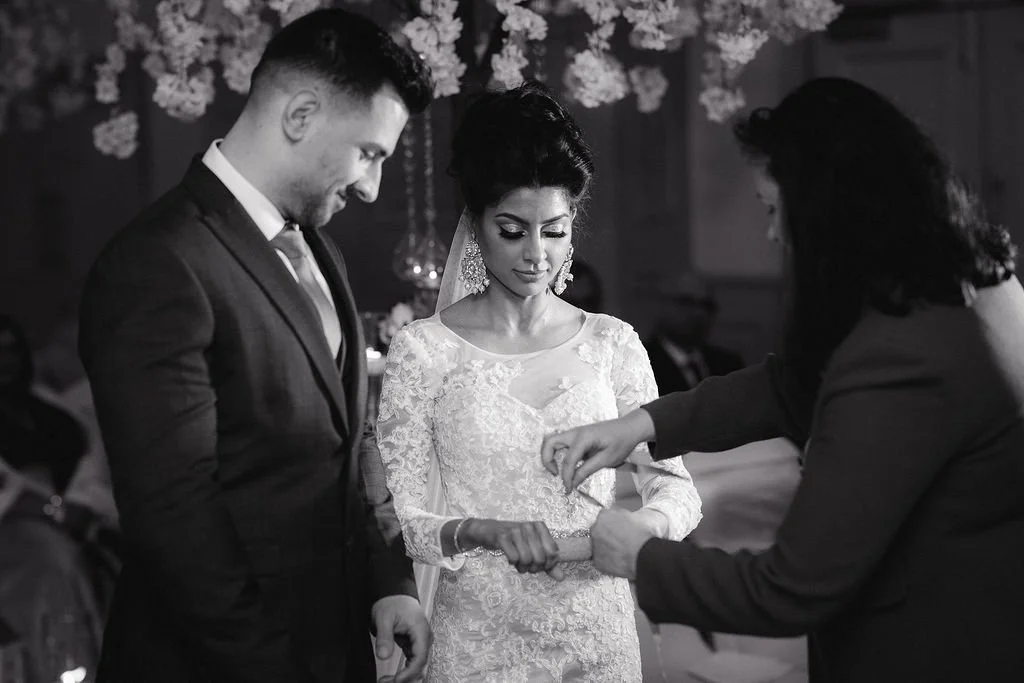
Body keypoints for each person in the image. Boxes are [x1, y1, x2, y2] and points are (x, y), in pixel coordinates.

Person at [541, 76, 1024, 683]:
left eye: (774, 210)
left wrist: (640, 557)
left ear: (829, 211)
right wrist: (640, 425)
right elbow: (788, 385)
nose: (773, 234)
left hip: (927, 651)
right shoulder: (971, 287)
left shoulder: (906, 353)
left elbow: (791, 587)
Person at [78, 10, 434, 683]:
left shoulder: (321, 252)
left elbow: (348, 445)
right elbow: (177, 523)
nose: (371, 187)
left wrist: (389, 582)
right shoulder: (158, 262)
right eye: (369, 154)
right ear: (300, 115)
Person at [374, 81, 703, 682]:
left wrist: (639, 528)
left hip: (598, 636)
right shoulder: (423, 351)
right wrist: (481, 530)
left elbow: (676, 489)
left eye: (554, 230)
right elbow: (406, 522)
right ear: (475, 225)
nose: (535, 255)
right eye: (512, 230)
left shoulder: (612, 343)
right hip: (478, 644)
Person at [644, 271, 744, 394]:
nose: (698, 313)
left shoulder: (729, 366)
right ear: (661, 305)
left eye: (706, 305)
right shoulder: (640, 364)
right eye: (686, 302)